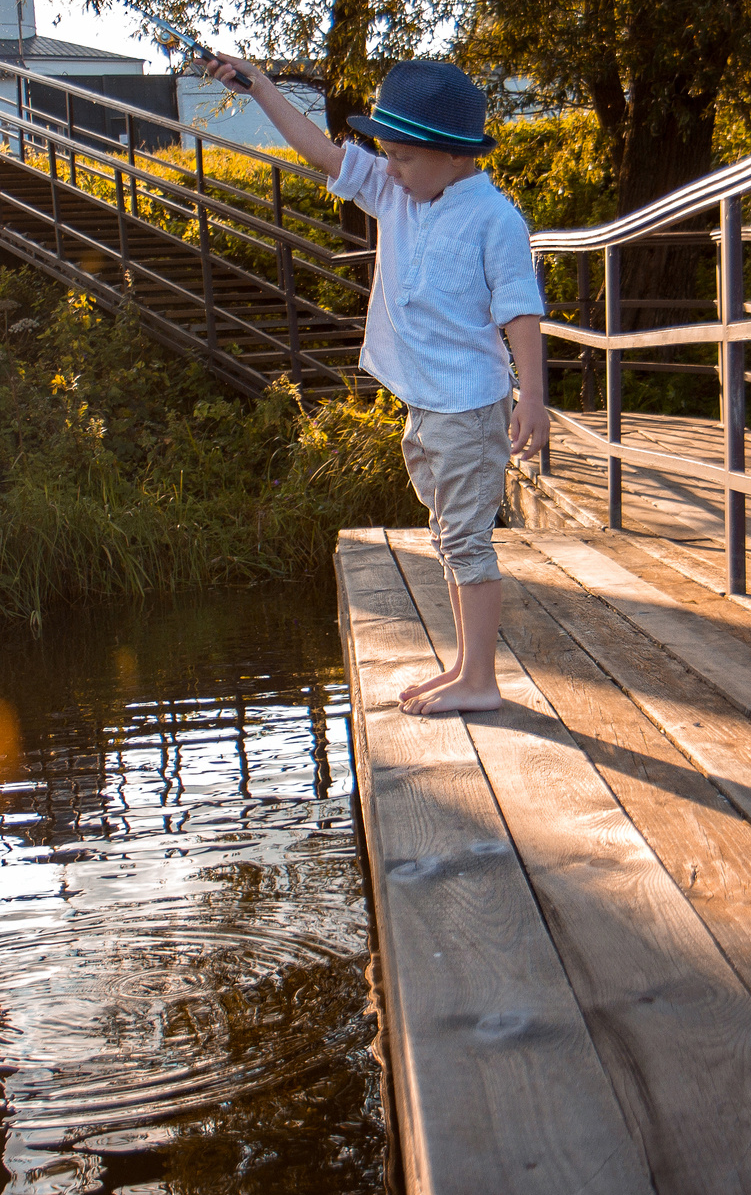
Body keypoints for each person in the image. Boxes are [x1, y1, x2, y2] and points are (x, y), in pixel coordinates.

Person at [202, 51, 546, 715]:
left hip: (471, 408)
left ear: (453, 155)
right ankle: (464, 666)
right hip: (425, 406)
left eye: (403, 156)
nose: (387, 166)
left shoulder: (494, 218)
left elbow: (519, 308)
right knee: (448, 535)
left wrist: (532, 394)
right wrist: (263, 89)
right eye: (384, 153)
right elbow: (318, 149)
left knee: (468, 539)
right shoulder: (396, 189)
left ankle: (481, 678)